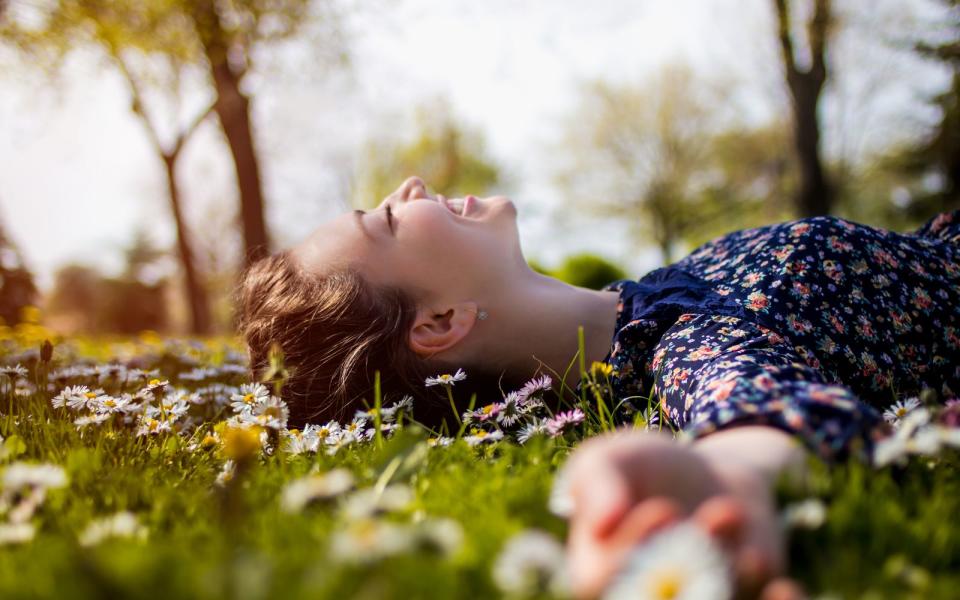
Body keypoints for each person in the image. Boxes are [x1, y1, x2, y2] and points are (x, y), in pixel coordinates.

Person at [235, 176, 960, 598]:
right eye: (389, 218)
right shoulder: (685, 347)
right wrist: (721, 484)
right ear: (440, 324)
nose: (412, 186)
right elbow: (753, 414)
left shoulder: (662, 293)